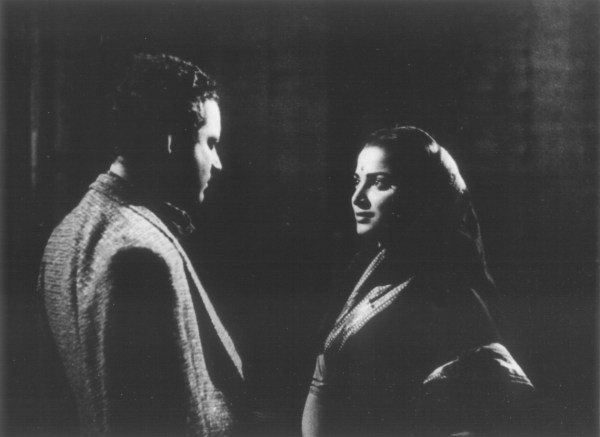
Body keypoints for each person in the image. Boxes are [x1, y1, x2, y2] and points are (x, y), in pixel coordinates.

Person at [37, 53, 246, 436]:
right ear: (171, 141)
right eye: (210, 143)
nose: (217, 163)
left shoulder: (64, 233)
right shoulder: (141, 254)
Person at [302, 126, 534, 437]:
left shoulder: (452, 292)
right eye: (358, 181)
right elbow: (322, 383)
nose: (358, 198)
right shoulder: (366, 272)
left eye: (379, 183)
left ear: (421, 193)